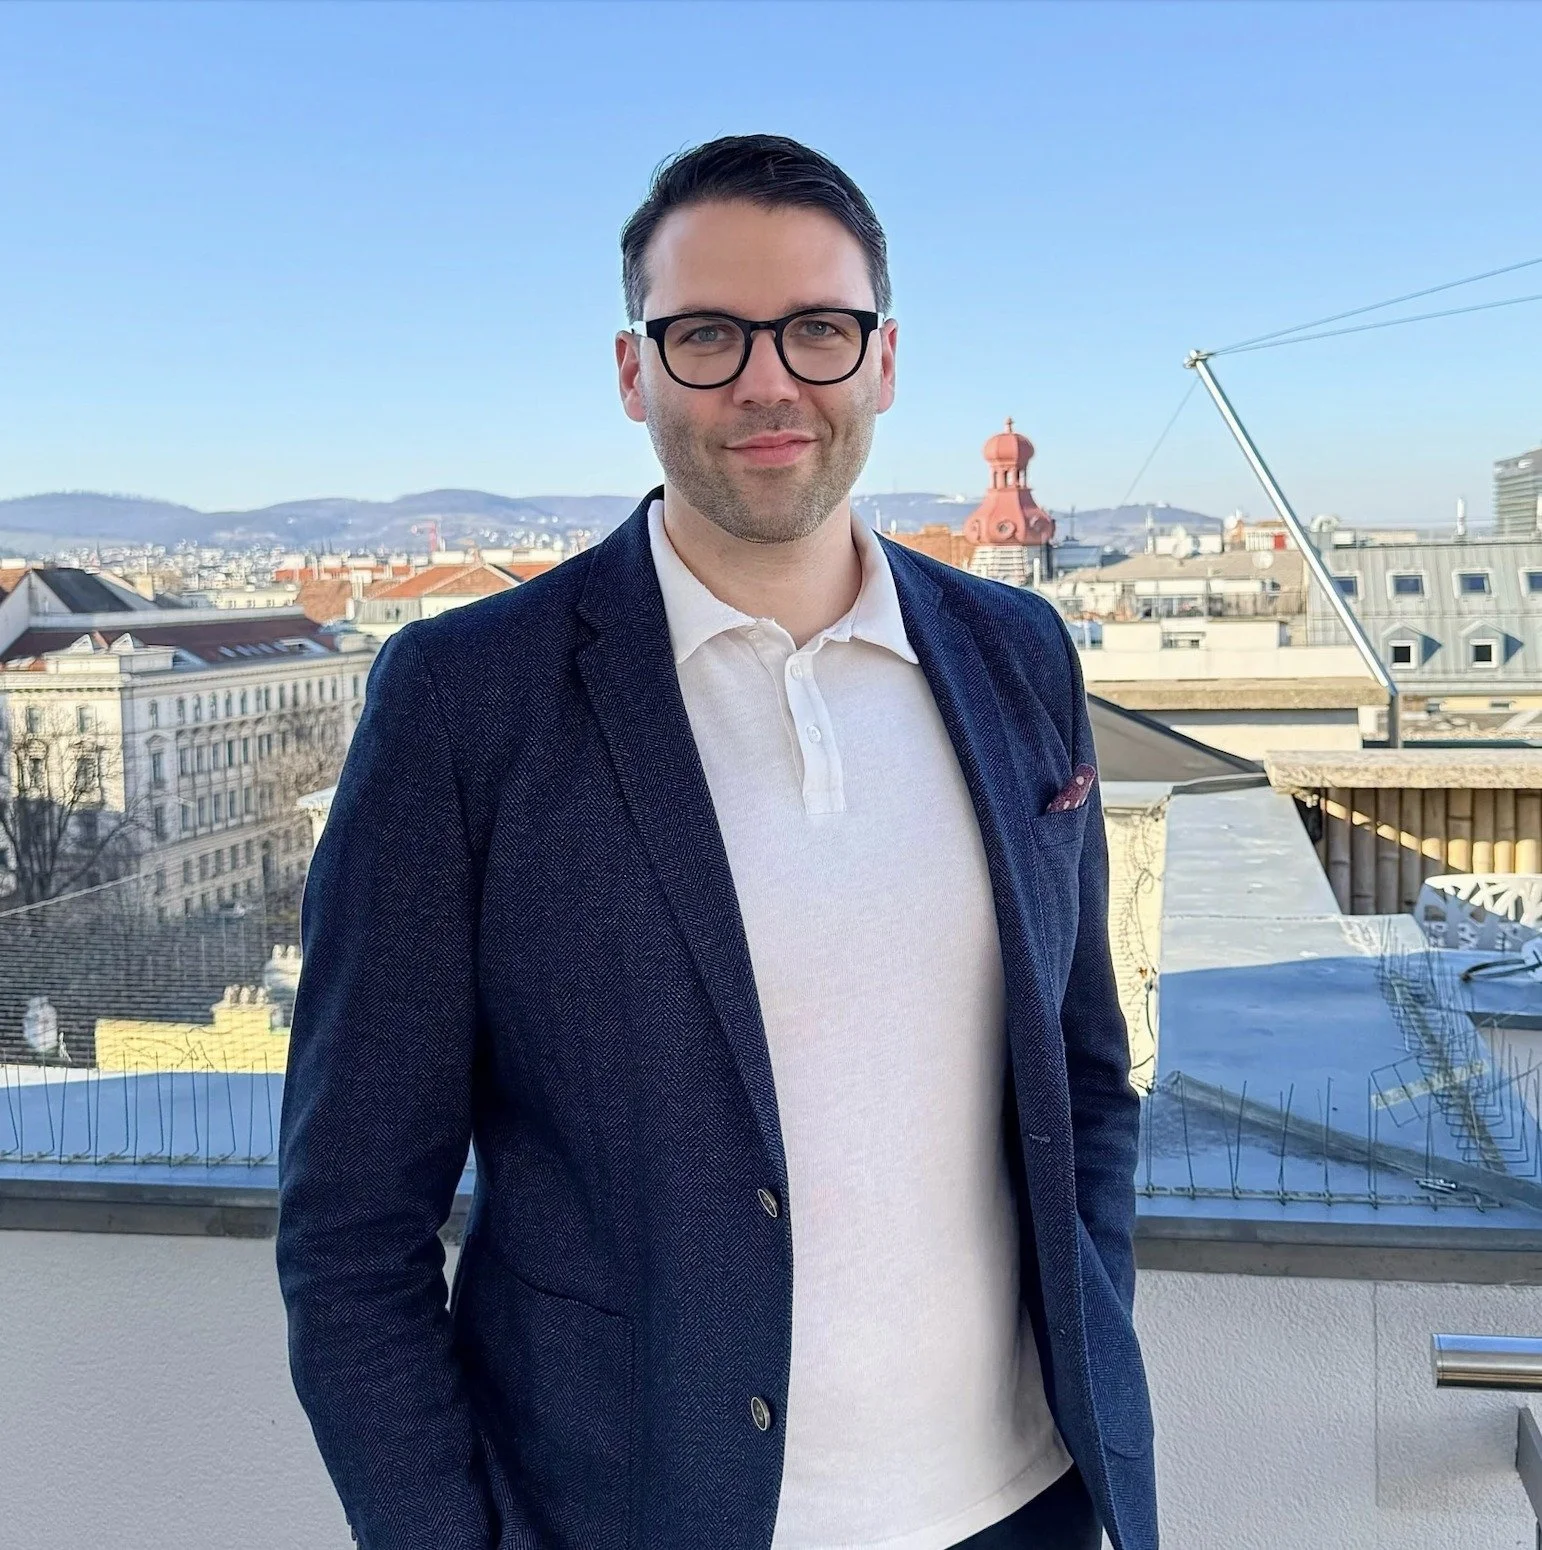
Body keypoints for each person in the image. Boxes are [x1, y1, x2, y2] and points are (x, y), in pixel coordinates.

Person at [276, 133, 1156, 1550]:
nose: (767, 381)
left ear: (881, 359)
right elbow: (350, 1229)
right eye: (706, 334)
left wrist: (1089, 1328)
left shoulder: (1017, 653)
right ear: (633, 370)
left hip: (1025, 1504)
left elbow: (1082, 1073)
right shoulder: (466, 702)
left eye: (817, 329)